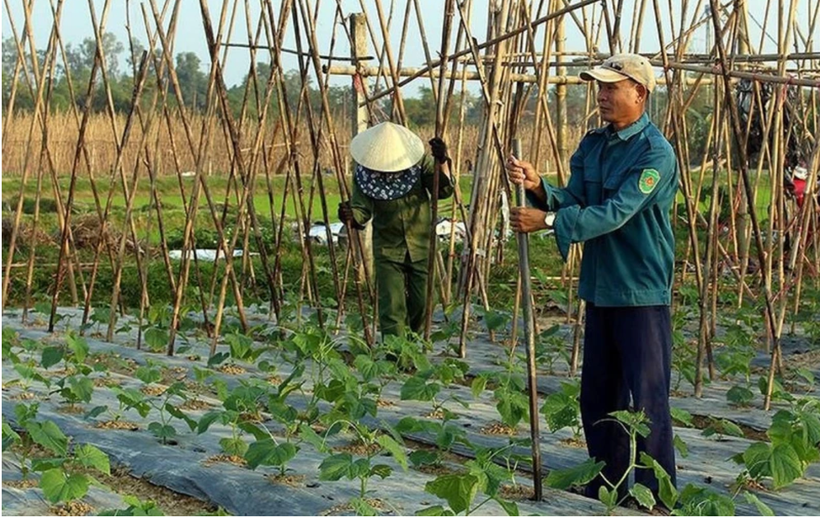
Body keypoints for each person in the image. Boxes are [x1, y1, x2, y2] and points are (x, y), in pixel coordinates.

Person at [506, 54, 678, 501]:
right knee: (598, 396)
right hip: (601, 287)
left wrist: (545, 222)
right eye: (598, 88)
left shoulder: (655, 153)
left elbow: (616, 213)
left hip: (639, 288)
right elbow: (575, 198)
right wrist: (541, 186)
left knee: (647, 400)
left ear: (639, 93)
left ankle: (655, 495)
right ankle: (608, 484)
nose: (601, 96)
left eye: (611, 88)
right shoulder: (593, 144)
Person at [338, 121, 453, 338]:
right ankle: (395, 355)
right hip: (388, 248)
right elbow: (361, 209)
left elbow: (442, 190)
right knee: (391, 305)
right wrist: (349, 216)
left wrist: (441, 162)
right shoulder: (365, 175)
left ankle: (411, 339)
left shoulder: (419, 164)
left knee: (425, 301)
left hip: (421, 244)